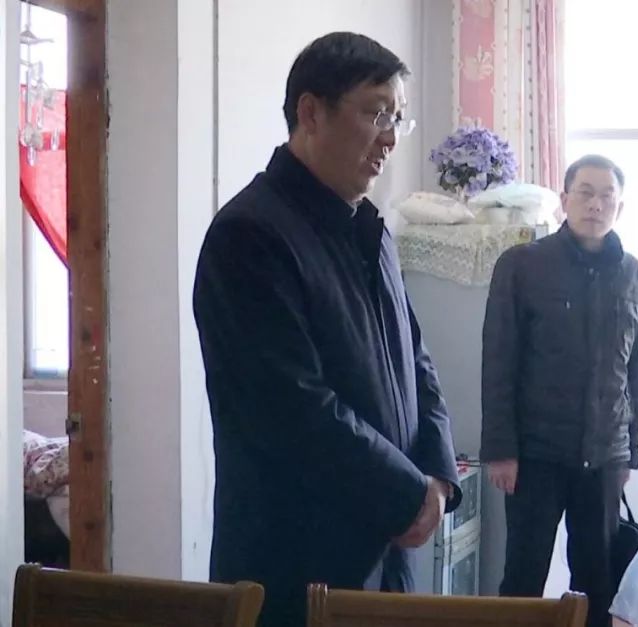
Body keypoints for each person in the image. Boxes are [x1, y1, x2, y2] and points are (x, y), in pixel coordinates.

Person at [193, 32, 461, 627]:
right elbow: (290, 406)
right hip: (296, 560)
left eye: (398, 119)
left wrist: (438, 474)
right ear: (311, 113)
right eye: (376, 113)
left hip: (384, 551)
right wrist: (407, 493)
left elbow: (417, 359)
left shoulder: (369, 229)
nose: (390, 137)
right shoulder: (250, 235)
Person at [481, 155, 638, 627]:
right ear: (564, 200)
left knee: (597, 579)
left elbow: (634, 371)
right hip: (535, 453)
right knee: (524, 573)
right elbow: (499, 361)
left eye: (607, 197)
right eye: (585, 193)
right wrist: (501, 450)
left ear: (619, 207)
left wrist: (630, 451)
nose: (596, 205)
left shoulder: (634, 275)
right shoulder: (522, 265)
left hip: (605, 455)